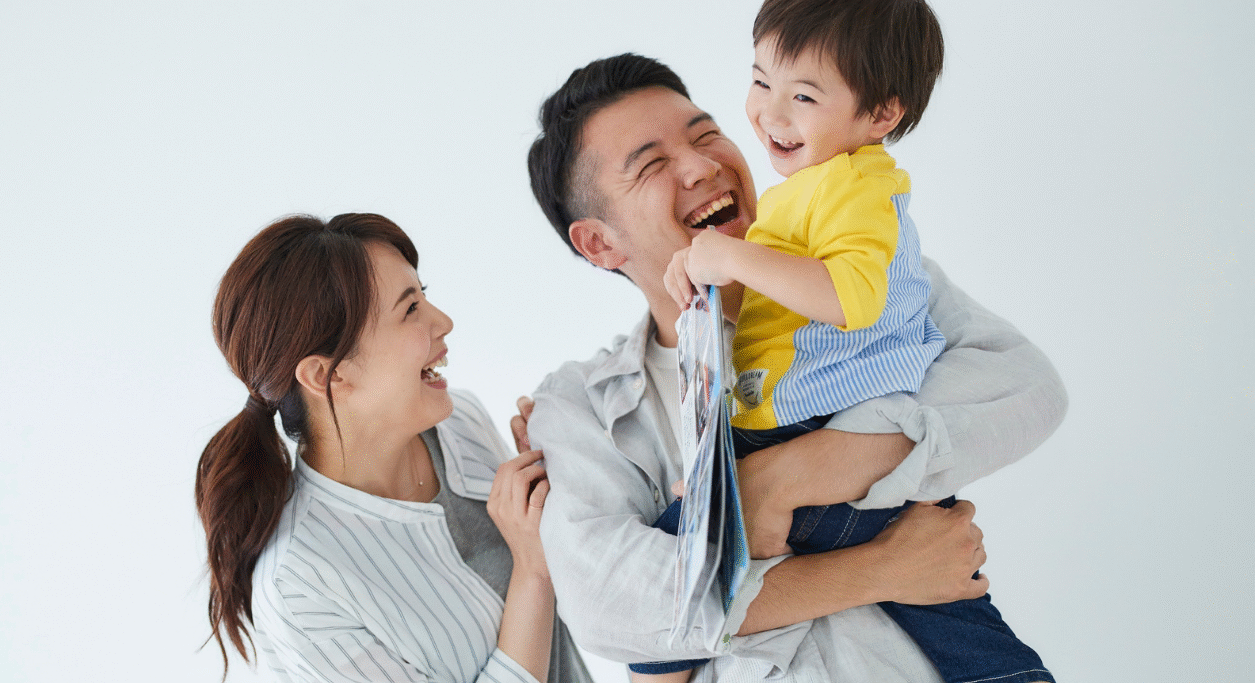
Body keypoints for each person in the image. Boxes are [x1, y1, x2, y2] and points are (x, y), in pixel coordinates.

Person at [521, 52, 1066, 682]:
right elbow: (614, 608)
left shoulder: (868, 278)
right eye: (652, 165)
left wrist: (779, 480)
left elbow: (1026, 389)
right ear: (599, 242)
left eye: (705, 135)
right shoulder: (579, 407)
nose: (703, 166)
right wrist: (887, 567)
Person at [194, 213, 591, 683]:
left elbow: (576, 607)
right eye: (409, 310)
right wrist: (532, 572)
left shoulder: (460, 421)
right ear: (327, 375)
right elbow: (536, 573)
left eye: (424, 296)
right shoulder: (302, 586)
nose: (443, 321)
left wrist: (561, 479)